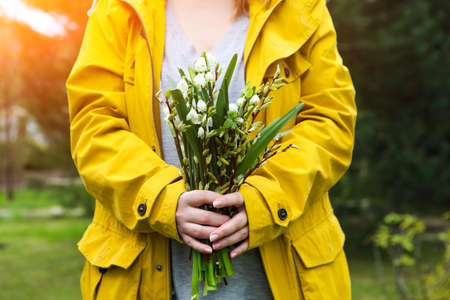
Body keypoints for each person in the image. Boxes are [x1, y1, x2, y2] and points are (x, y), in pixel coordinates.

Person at [66, 0, 356, 299]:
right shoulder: (119, 10)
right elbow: (93, 127)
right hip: (142, 280)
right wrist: (163, 201)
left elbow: (330, 123)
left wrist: (267, 200)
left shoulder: (298, 7)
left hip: (284, 280)